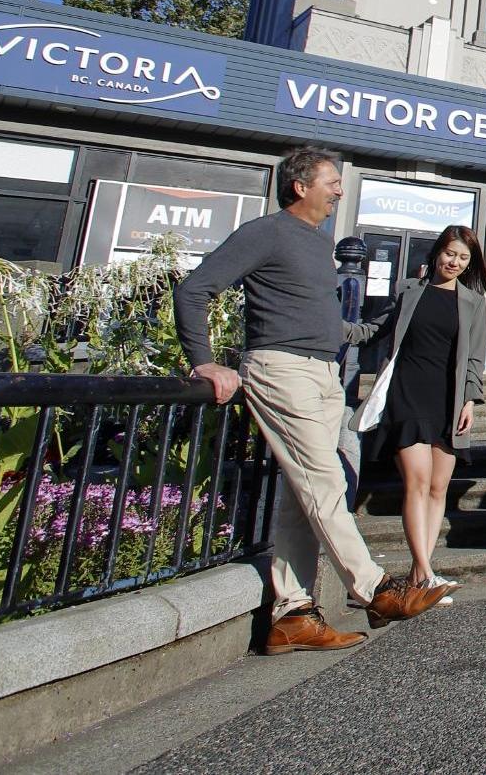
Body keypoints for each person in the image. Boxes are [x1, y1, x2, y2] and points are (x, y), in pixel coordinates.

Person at [173, 147, 450, 656]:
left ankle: (292, 615)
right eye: (332, 181)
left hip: (324, 373)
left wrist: (387, 321)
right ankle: (374, 589)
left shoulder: (316, 243)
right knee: (324, 478)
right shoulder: (266, 232)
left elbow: (326, 320)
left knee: (303, 497)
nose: (340, 190)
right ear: (300, 186)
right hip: (281, 369)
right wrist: (204, 361)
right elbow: (194, 290)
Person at [354, 225, 486, 604]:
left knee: (437, 487)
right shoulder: (408, 290)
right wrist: (336, 331)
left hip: (447, 399)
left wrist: (469, 401)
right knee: (417, 481)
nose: (456, 263)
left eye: (464, 258)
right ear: (437, 252)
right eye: (451, 254)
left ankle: (420, 574)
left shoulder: (473, 301)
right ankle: (427, 573)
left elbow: (474, 359)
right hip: (407, 393)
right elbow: (376, 328)